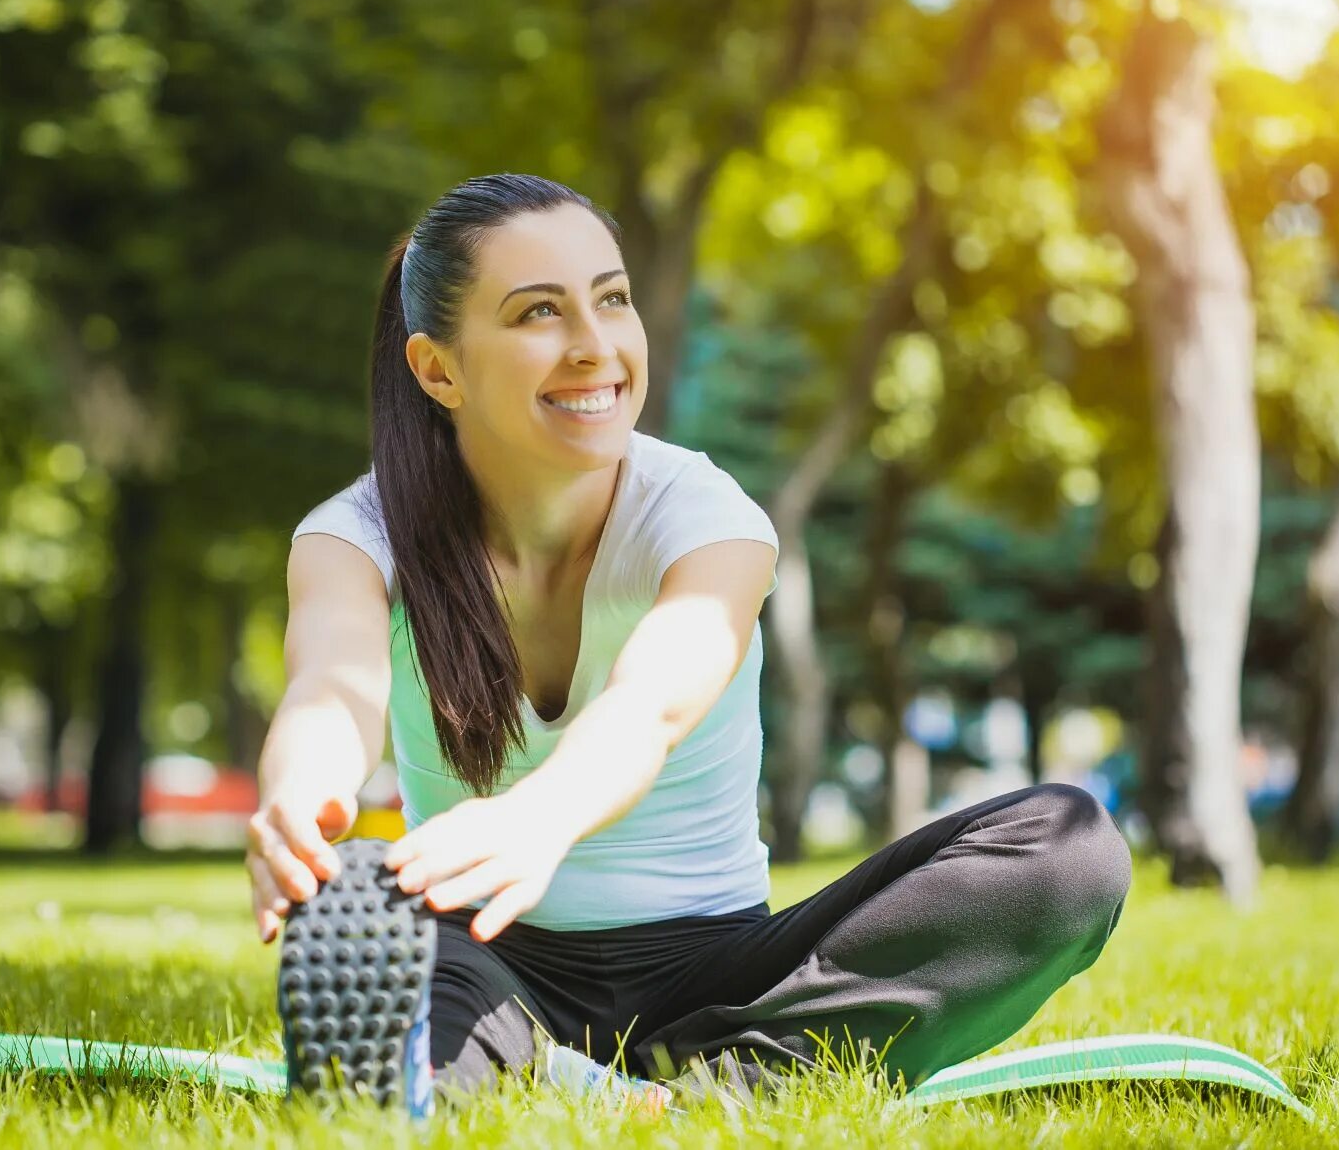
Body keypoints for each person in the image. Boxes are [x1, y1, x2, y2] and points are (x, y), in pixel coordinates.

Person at [245, 172, 1132, 1109]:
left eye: (612, 299)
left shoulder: (705, 515)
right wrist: (302, 802)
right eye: (538, 313)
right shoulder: (357, 534)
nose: (596, 348)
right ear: (438, 369)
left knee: (1069, 852)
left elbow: (650, 702)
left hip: (715, 966)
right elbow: (329, 690)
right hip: (485, 961)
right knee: (415, 1019)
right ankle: (616, 1079)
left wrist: (540, 815)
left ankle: (680, 1080)